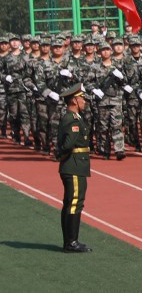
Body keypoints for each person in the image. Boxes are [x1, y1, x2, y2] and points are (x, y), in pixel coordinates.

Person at [55, 83, 90, 252]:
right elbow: (68, 145)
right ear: (75, 100)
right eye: (82, 98)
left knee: (70, 203)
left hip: (73, 165)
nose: (85, 101)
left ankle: (69, 241)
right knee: (75, 203)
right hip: (74, 165)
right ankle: (71, 242)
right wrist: (62, 156)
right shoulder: (73, 119)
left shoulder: (72, 117)